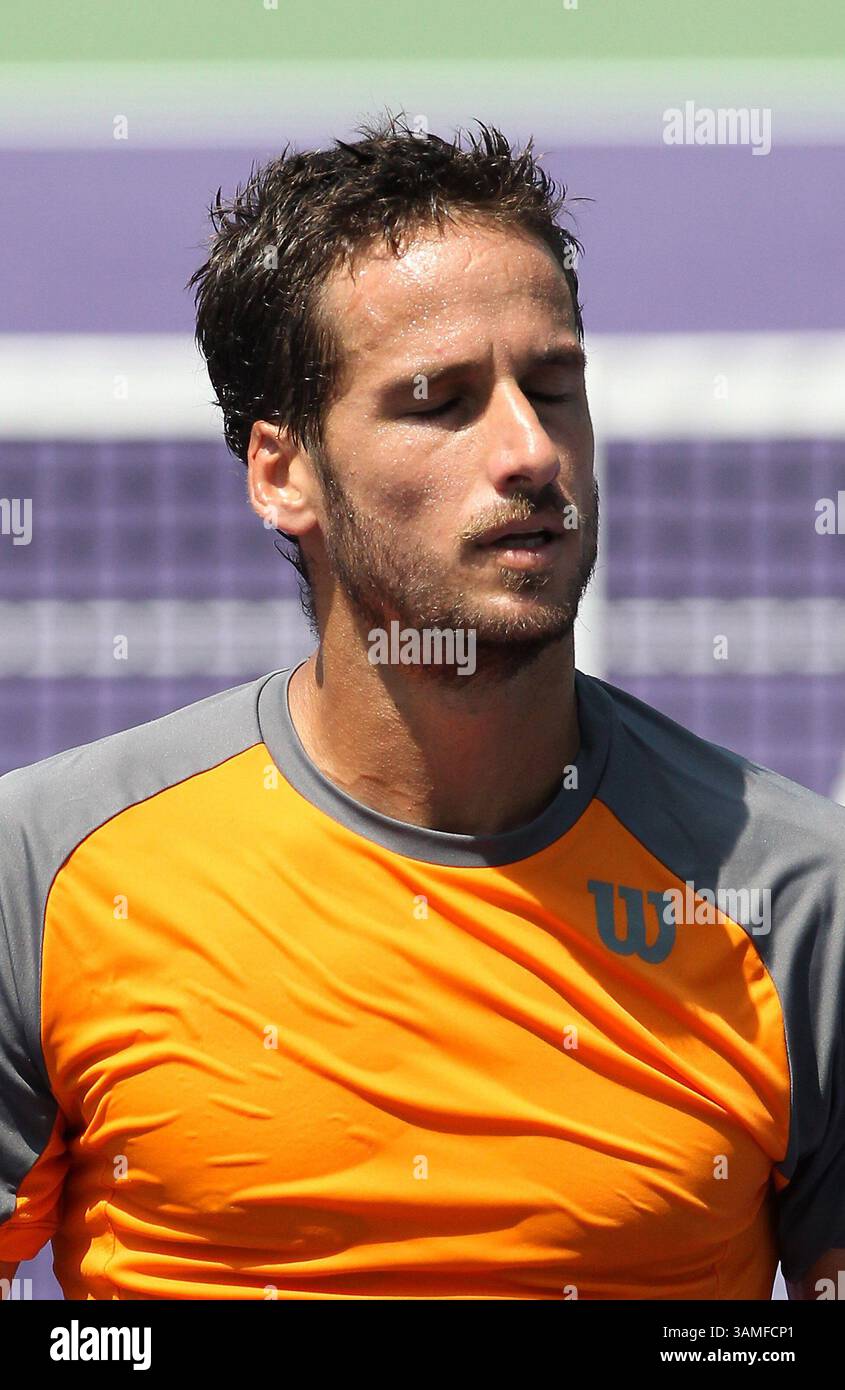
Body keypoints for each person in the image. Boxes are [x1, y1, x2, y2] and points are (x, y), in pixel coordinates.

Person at [1, 114, 843, 1301]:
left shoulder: (796, 898)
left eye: (551, 388)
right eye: (438, 401)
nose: (526, 451)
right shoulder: (46, 869)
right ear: (280, 473)